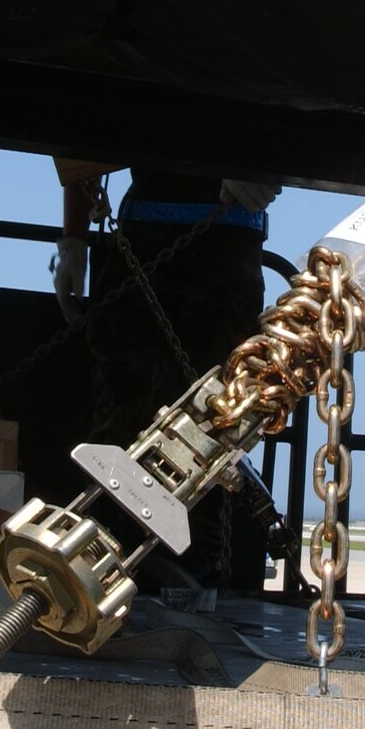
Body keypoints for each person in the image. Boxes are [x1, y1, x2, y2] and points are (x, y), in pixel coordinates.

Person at [52, 160, 280, 601]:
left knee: (213, 426)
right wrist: (73, 238)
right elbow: (82, 142)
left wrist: (271, 161)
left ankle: (185, 582)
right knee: (128, 421)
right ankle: (99, 569)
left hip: (222, 236)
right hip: (161, 235)